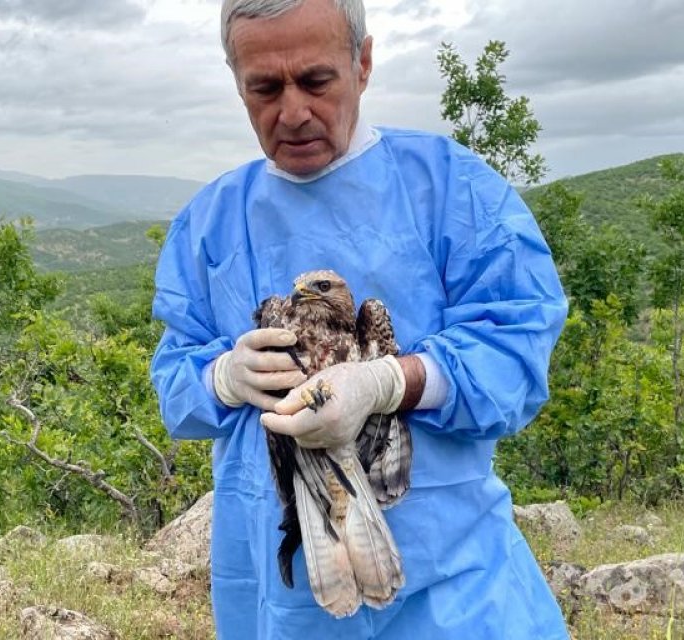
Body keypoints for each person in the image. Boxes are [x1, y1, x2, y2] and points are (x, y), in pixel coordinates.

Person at [148, 0, 571, 637]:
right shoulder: (210, 224)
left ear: (363, 62)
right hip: (287, 585)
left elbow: (514, 352)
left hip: (453, 589)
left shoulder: (453, 191)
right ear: (237, 82)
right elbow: (176, 386)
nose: (291, 112)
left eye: (316, 81)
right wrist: (223, 379)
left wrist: (387, 383)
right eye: (264, 88)